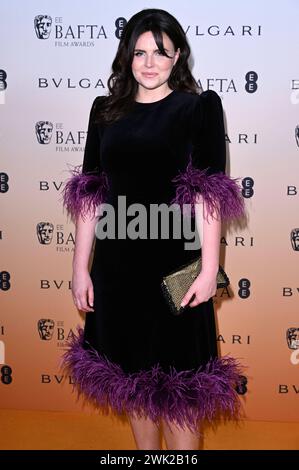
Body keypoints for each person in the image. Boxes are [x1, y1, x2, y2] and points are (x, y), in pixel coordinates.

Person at [61, 8, 246, 450]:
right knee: (135, 387)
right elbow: (91, 196)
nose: (149, 63)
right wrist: (80, 268)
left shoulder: (198, 109)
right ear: (126, 57)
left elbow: (208, 196)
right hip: (118, 271)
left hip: (175, 271)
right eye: (139, 52)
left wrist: (208, 270)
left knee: (183, 392)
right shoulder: (104, 112)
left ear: (178, 55)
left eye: (160, 52)